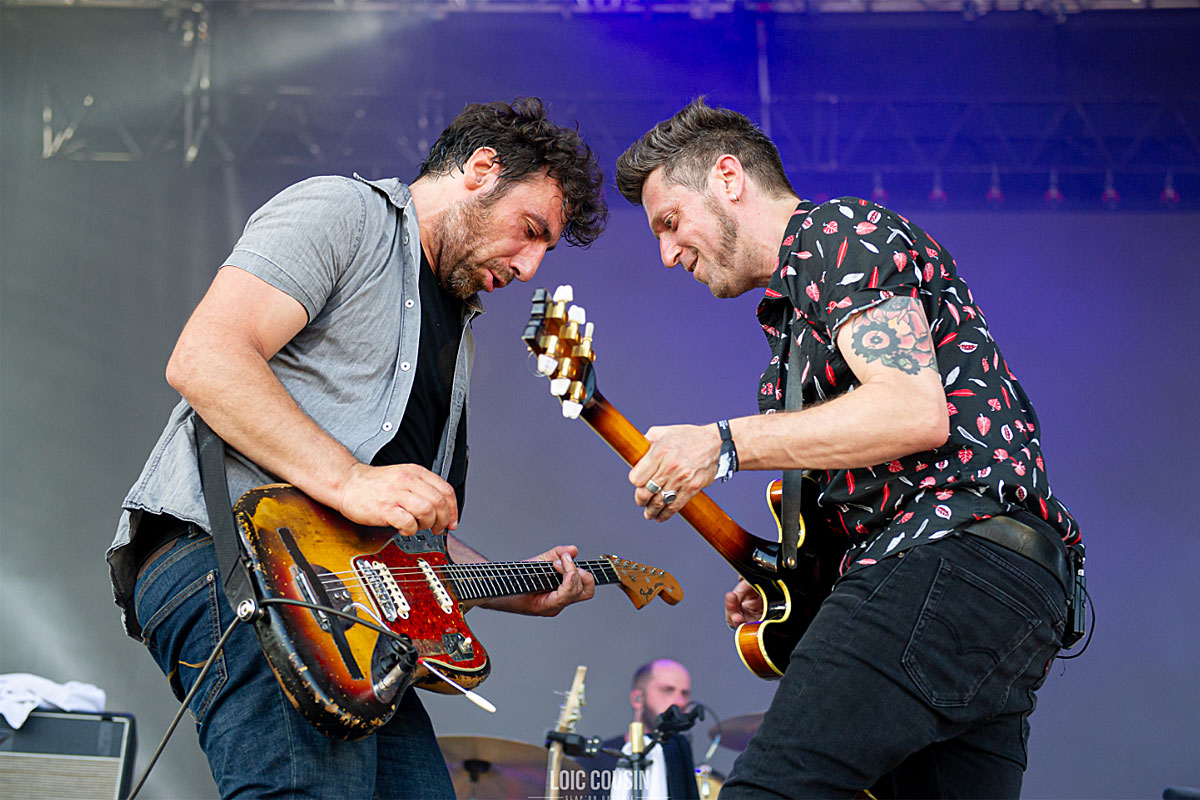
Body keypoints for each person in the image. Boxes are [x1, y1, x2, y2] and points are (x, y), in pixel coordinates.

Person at [107, 97, 607, 798]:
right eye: (530, 231)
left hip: (345, 615)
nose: (529, 267)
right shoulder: (345, 212)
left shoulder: (453, 330)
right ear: (481, 169)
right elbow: (206, 357)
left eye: (543, 251)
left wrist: (511, 585)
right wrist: (348, 479)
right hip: (237, 563)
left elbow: (389, 539)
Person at [612, 98, 1082, 798]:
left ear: (728, 178)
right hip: (1006, 589)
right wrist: (796, 587)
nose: (667, 253)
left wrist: (721, 443)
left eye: (671, 222)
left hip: (950, 558)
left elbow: (911, 410)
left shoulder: (838, 234)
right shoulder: (793, 322)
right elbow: (877, 473)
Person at [589, 659, 699, 800]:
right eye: (667, 690)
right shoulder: (595, 762)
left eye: (685, 694)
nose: (680, 702)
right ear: (637, 698)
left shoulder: (681, 762)